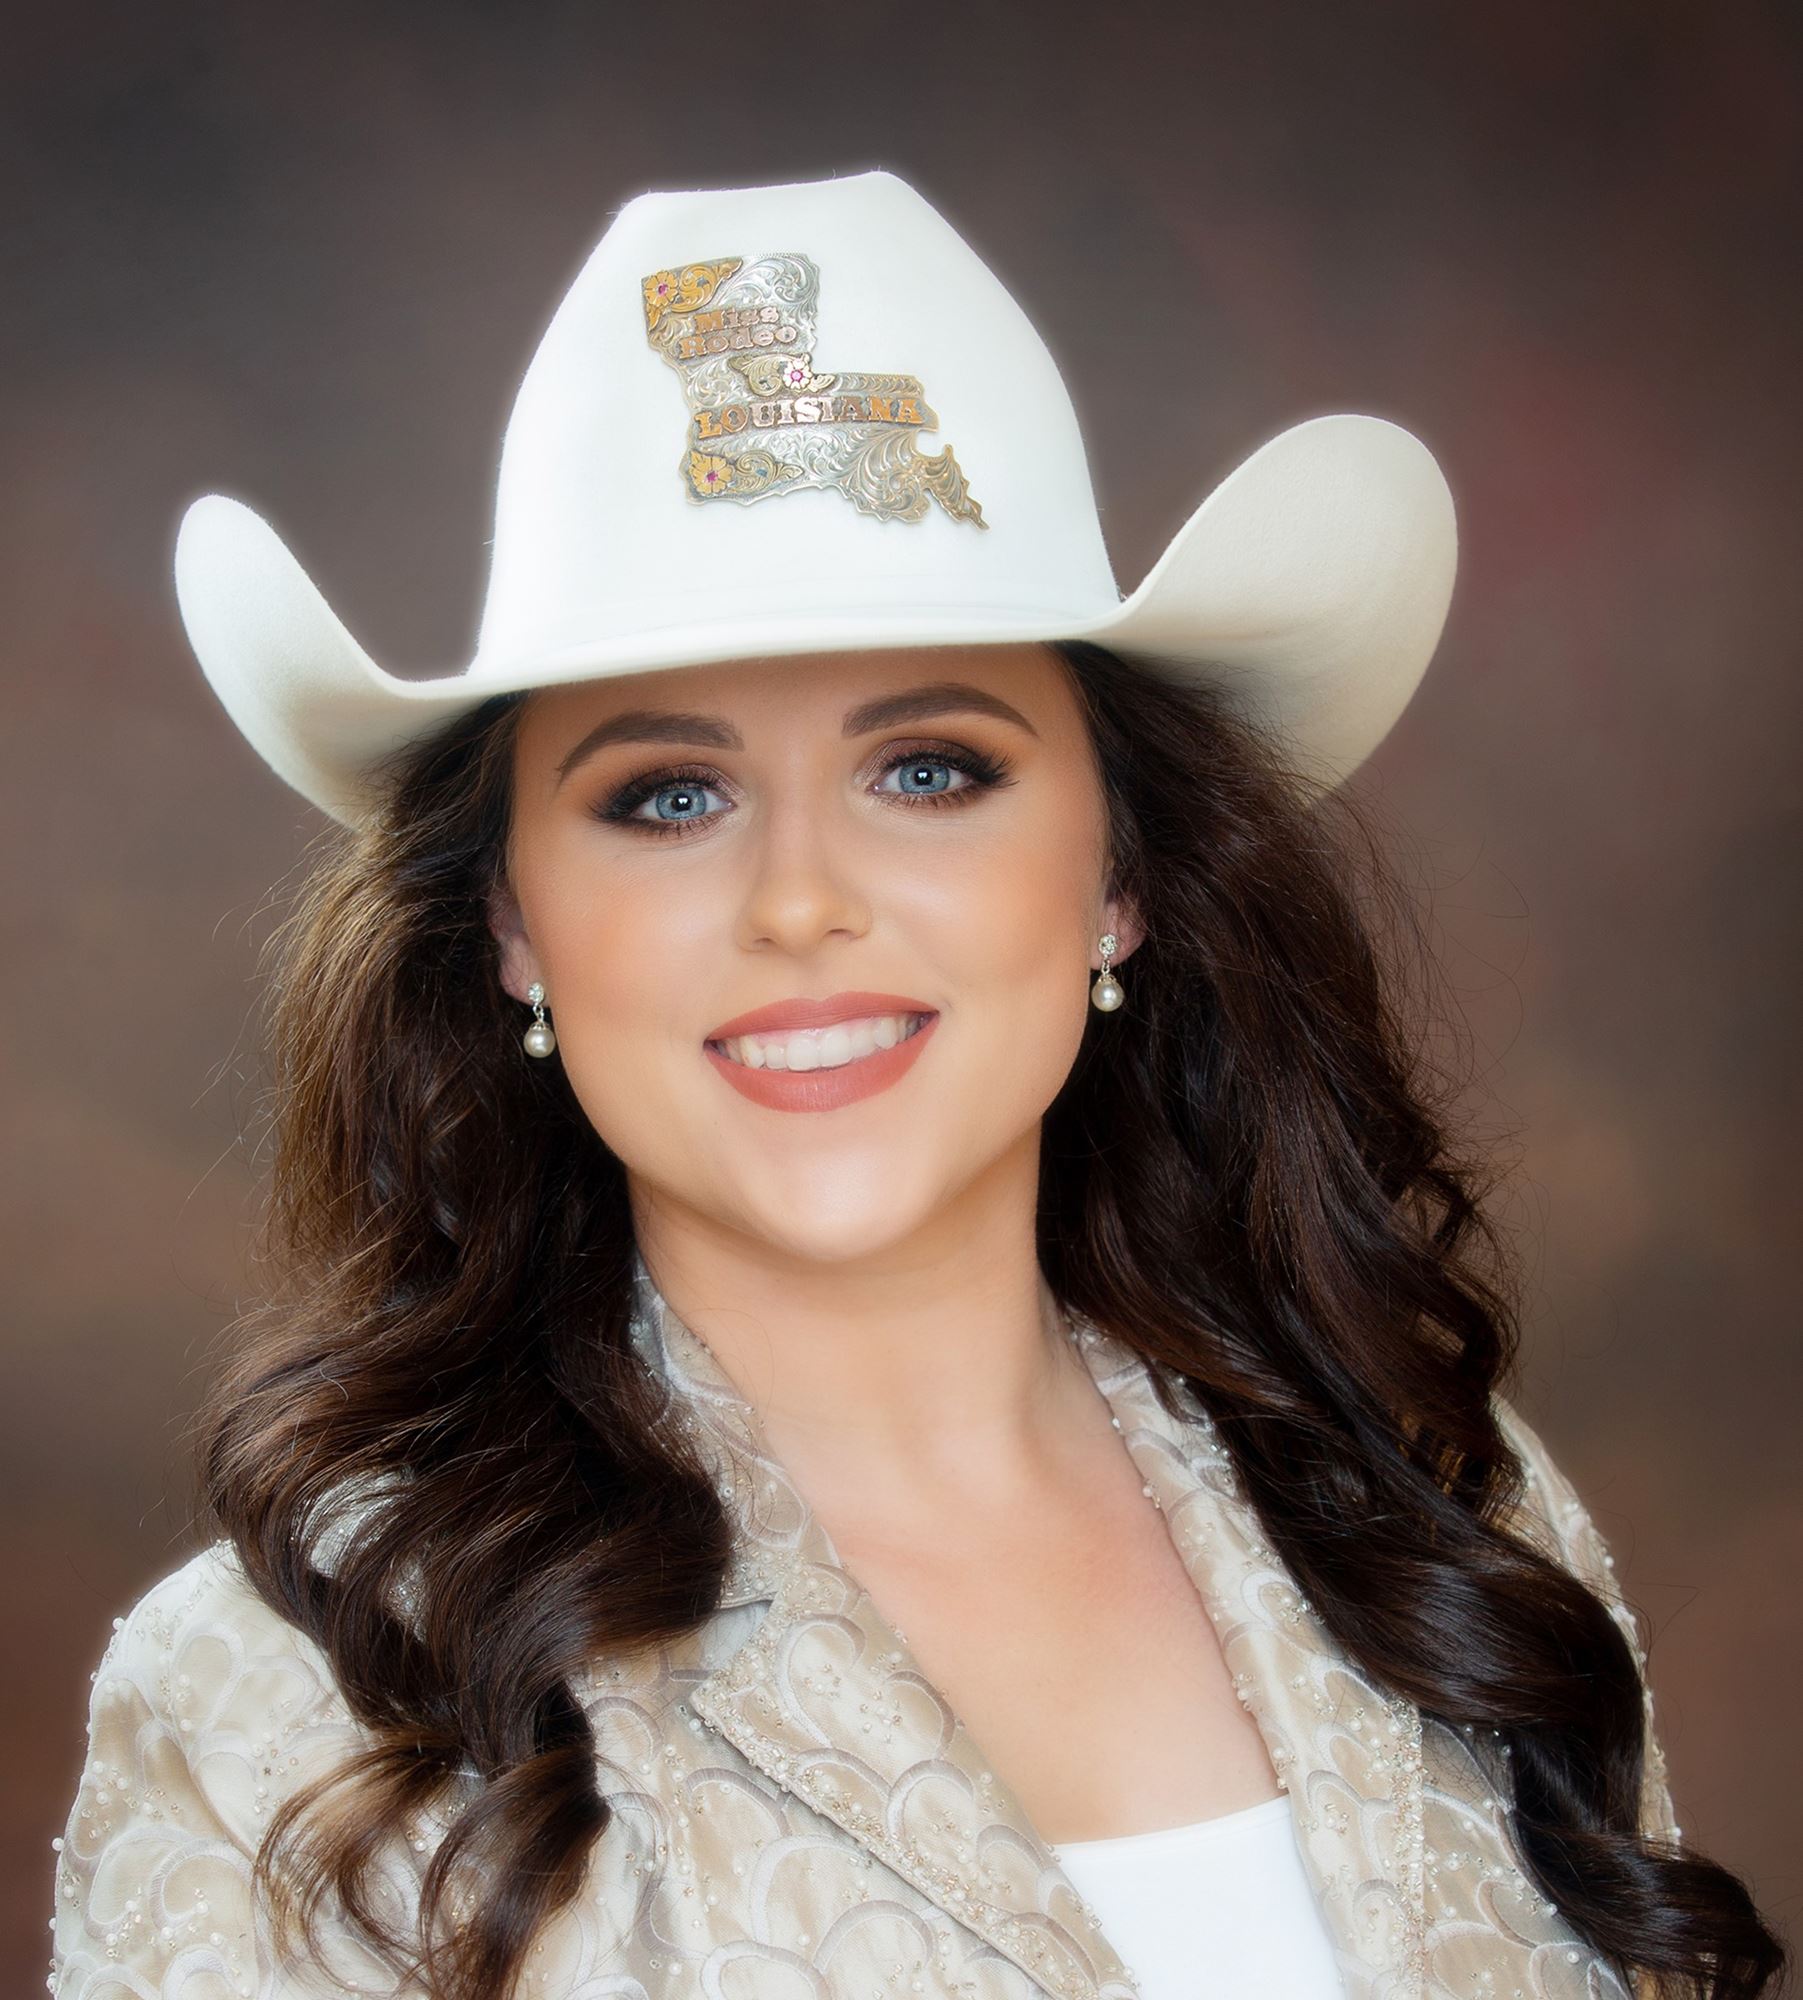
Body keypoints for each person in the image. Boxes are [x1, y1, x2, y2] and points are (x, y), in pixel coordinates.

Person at [48, 170, 1783, 2000]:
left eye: (934, 769)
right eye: (666, 796)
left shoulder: (1448, 1524)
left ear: (1118, 877)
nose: (801, 902)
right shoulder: (291, 1697)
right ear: (513, 927)